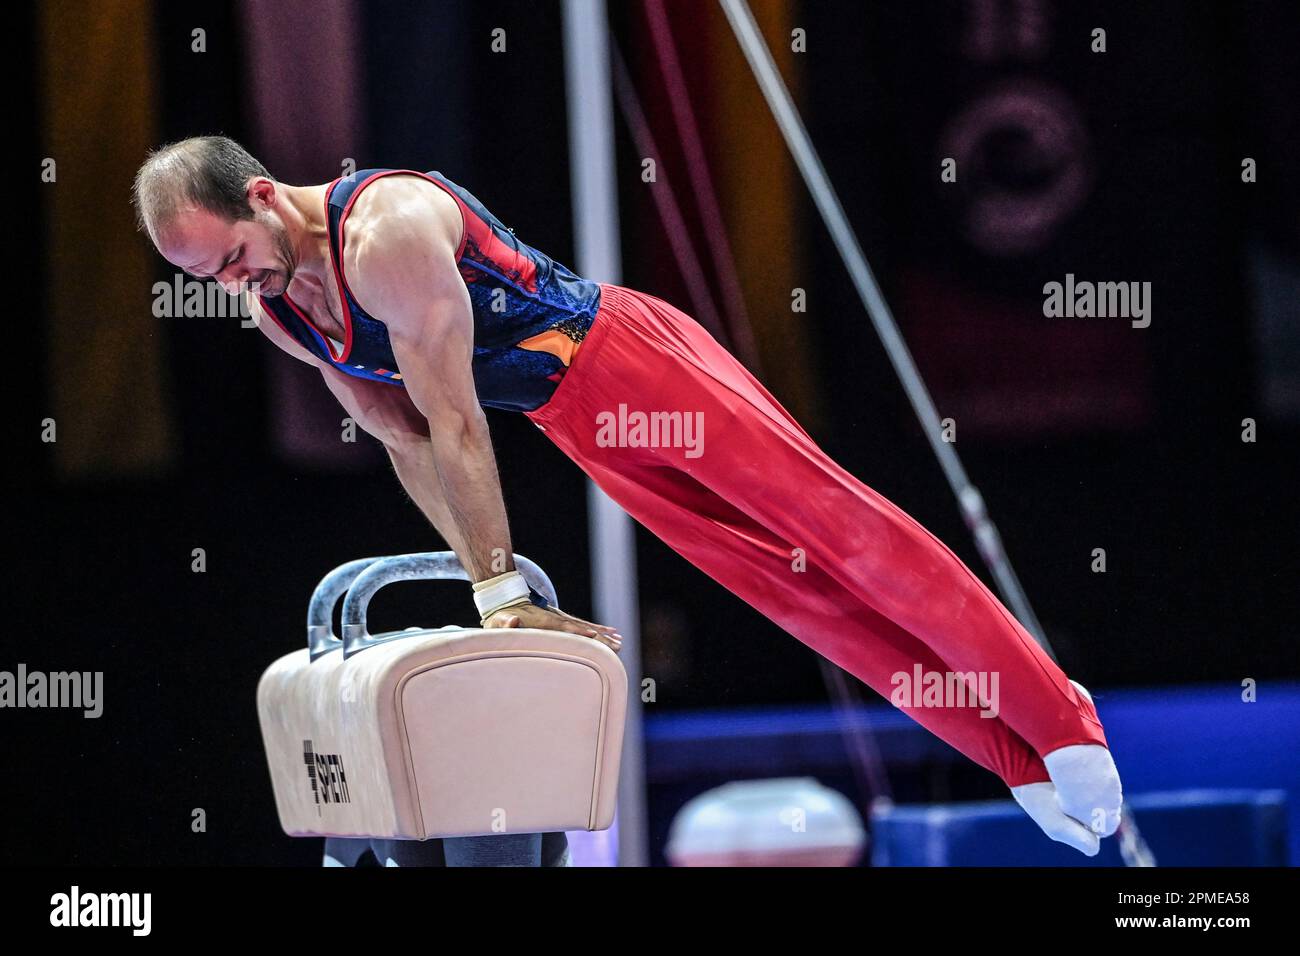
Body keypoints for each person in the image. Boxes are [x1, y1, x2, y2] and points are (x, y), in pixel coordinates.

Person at [132, 135, 1122, 859]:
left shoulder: (383, 232)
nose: (230, 284)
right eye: (203, 276)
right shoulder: (279, 309)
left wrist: (495, 595)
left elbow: (461, 422)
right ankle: (1014, 756)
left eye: (227, 255)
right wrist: (501, 580)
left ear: (262, 194)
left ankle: (1061, 719)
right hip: (580, 423)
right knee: (790, 592)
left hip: (634, 363)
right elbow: (406, 439)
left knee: (846, 535)